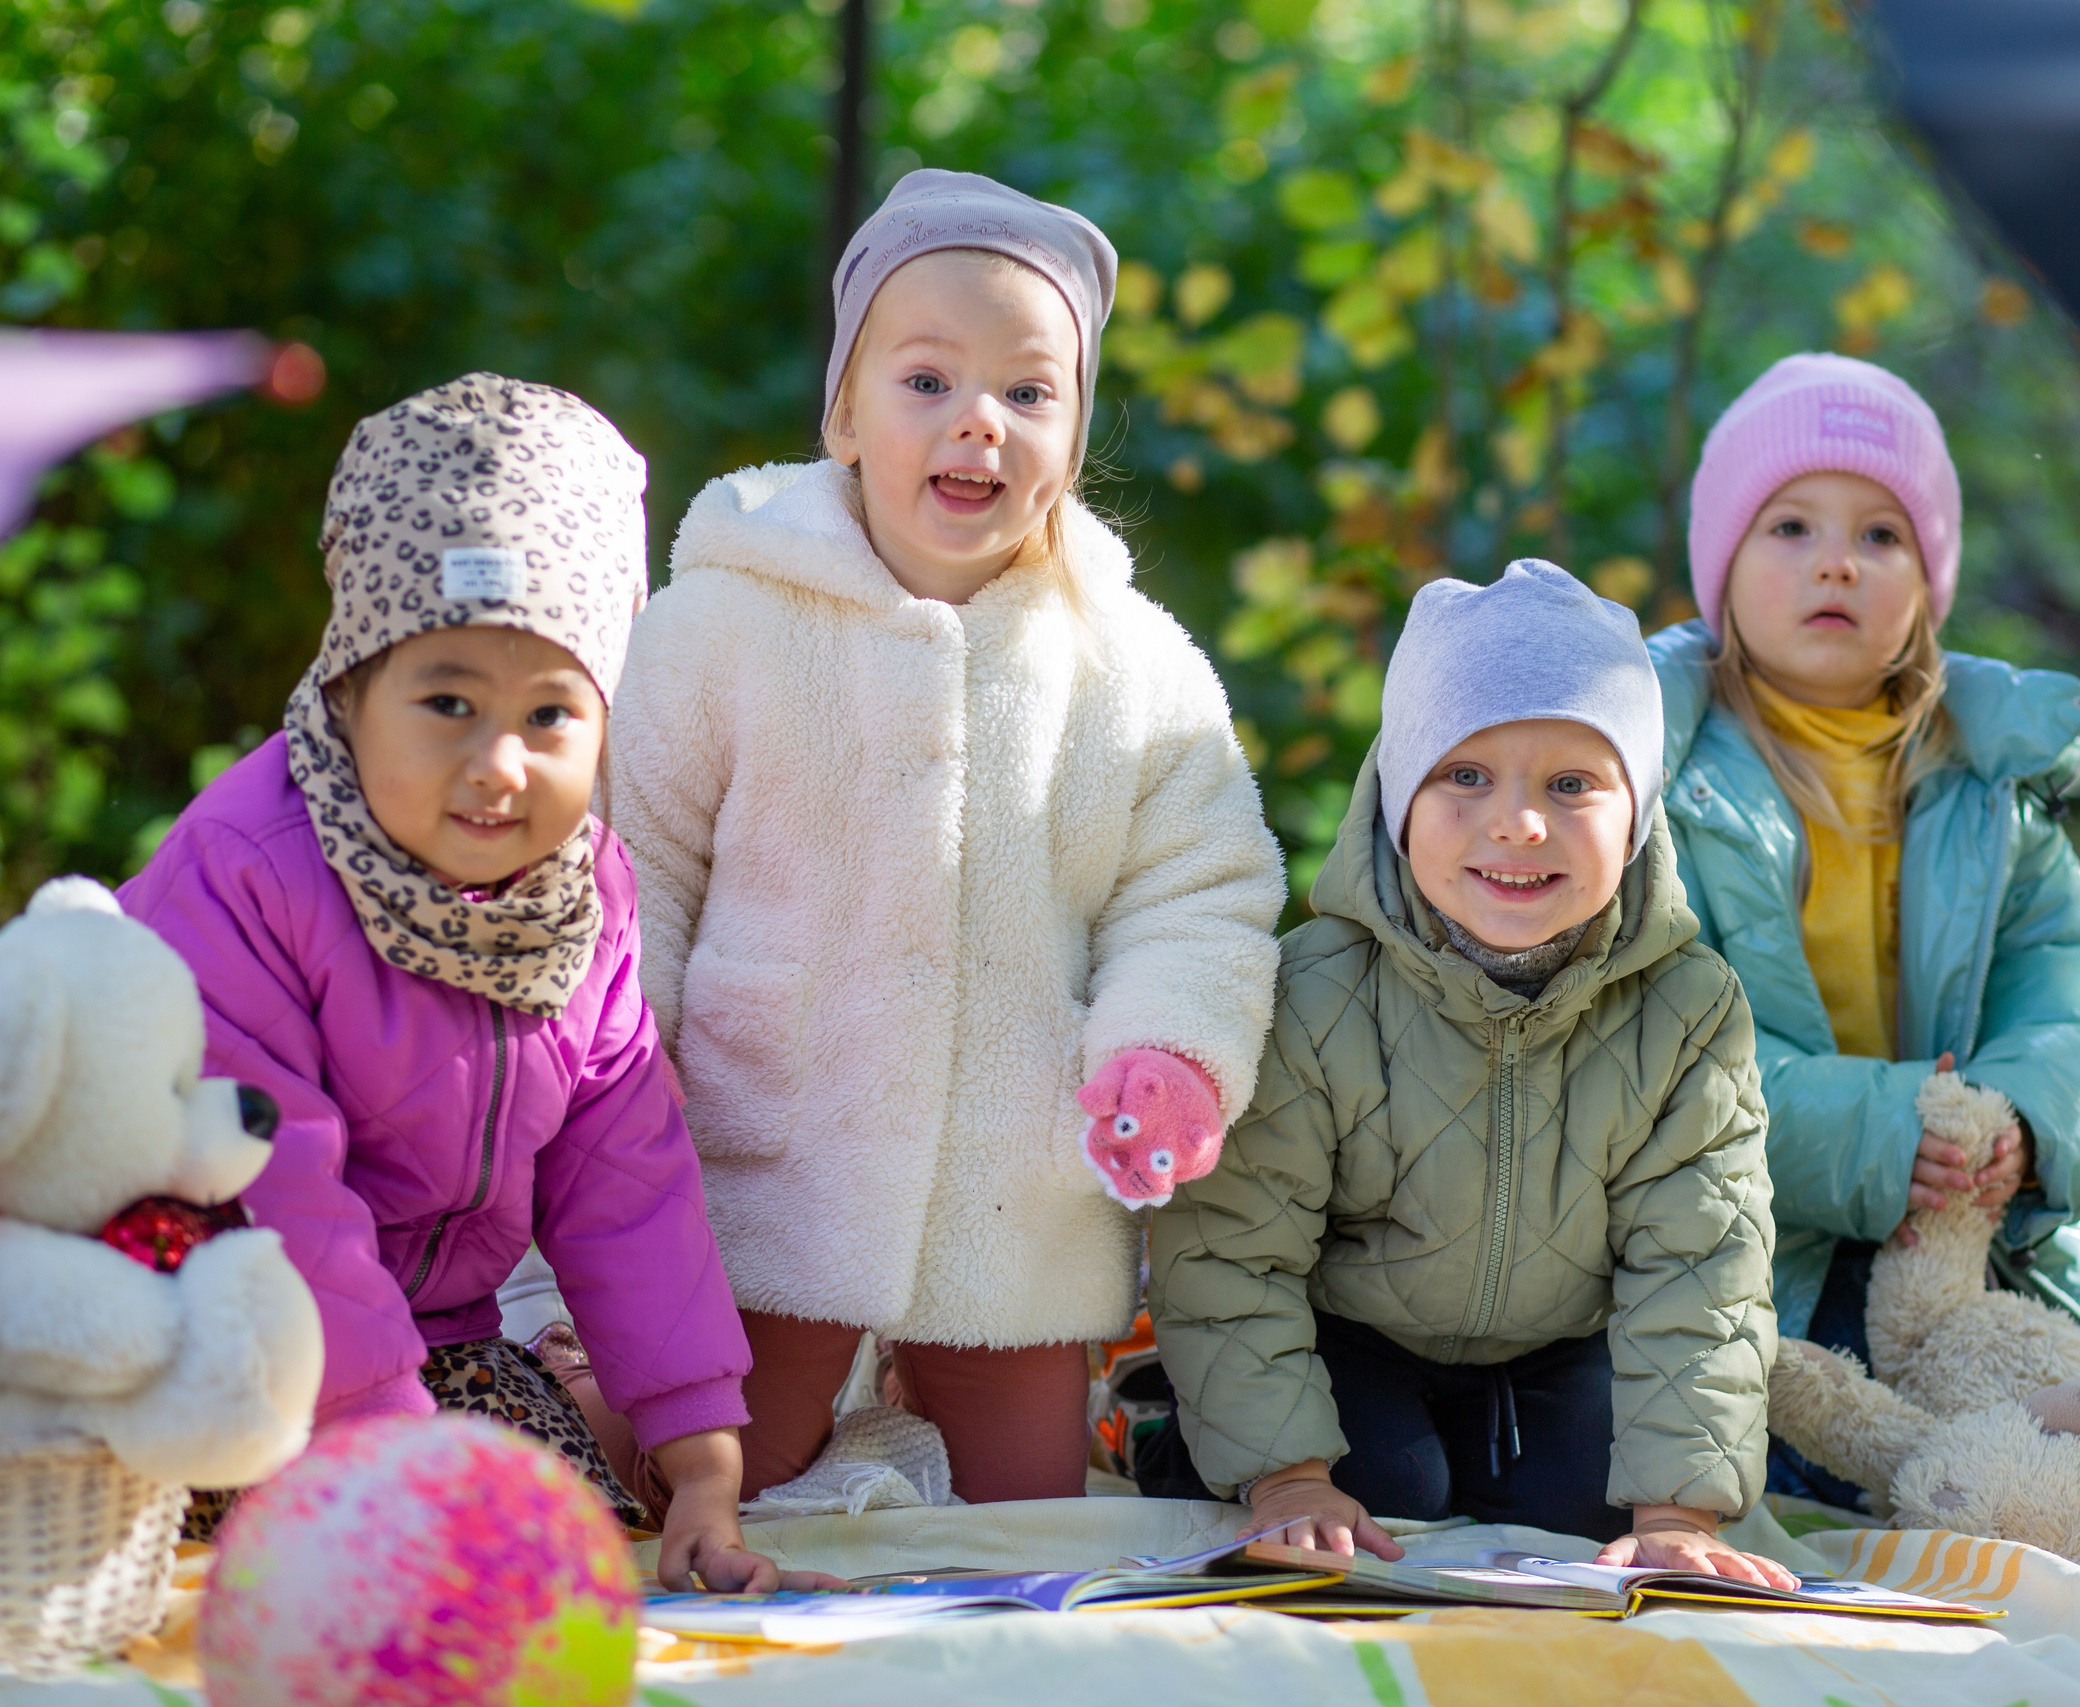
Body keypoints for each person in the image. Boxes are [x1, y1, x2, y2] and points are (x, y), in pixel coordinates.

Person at [605, 170, 1286, 1505]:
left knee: (1027, 1508)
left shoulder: (1131, 666)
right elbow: (636, 865)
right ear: (843, 416)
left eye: (1031, 393)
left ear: (1074, 441)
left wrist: (1167, 1045)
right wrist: (637, 1057)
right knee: (698, 1480)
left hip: (1011, 1188)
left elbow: (1199, 892)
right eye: (927, 380)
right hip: (770, 1161)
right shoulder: (722, 625)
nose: (980, 420)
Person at [124, 375, 812, 1591]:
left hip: (433, 1344)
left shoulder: (583, 891)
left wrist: (700, 1454)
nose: (498, 765)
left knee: (563, 1546)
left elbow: (624, 1171)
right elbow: (280, 1190)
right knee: (297, 1563)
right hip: (210, 1330)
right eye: (446, 702)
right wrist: (393, 1463)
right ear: (350, 688)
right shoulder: (249, 872)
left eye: (550, 714)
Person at [1150, 562, 1792, 1585]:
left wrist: (1679, 1510)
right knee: (1381, 1498)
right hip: (1350, 1333)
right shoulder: (1318, 994)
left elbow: (1701, 1266)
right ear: (1400, 796)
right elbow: (1232, 1244)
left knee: (1587, 1512)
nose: (1518, 823)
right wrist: (1287, 1475)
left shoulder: (1686, 1011)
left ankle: (1552, 1480)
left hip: (1555, 1345)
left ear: (1638, 817)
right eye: (1464, 776)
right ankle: (1187, 1442)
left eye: (1572, 784)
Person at [1649, 353, 2080, 1506]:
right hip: (1727, 1238)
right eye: (1787, 526)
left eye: (1882, 536)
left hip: (1946, 1229)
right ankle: (1958, 1473)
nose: (1836, 559)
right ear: (1719, 568)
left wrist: (2026, 1114)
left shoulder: (1983, 781)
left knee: (2035, 1376)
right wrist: (1876, 1133)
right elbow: (1652, 1036)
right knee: (1810, 1433)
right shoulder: (1661, 783)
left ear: (1927, 585)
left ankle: (2051, 1465)